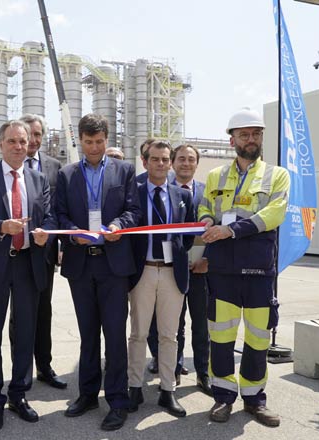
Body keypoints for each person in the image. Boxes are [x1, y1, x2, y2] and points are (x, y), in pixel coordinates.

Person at [200, 107, 289, 427]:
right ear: (232, 140)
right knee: (220, 339)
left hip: (258, 272)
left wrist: (230, 229)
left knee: (258, 339)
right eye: (244, 135)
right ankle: (223, 398)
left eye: (256, 134)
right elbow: (205, 207)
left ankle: (254, 400)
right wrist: (207, 220)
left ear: (261, 137)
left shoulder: (277, 175)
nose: (250, 140)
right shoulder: (214, 176)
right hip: (222, 271)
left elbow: (274, 214)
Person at [55, 113, 141, 431]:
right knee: (88, 335)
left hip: (113, 265)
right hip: (81, 263)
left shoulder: (125, 170)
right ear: (80, 139)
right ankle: (88, 394)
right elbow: (59, 214)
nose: (94, 147)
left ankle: (117, 401)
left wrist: (120, 224)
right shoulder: (67, 174)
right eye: (89, 142)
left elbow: (134, 209)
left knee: (114, 336)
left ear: (107, 139)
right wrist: (72, 231)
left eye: (99, 141)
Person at [0, 120, 55, 431]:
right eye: (13, 141)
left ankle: (19, 393)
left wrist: (47, 235)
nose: (20, 146)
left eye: (24, 141)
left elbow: (49, 216)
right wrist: (0, 227)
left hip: (27, 265)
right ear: (1, 144)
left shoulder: (38, 179)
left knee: (25, 334)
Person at [126, 141, 194, 418]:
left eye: (166, 159)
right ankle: (134, 387)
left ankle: (168, 390)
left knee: (169, 335)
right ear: (145, 162)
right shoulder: (135, 193)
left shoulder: (182, 195)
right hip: (142, 271)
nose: (161, 164)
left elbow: (188, 236)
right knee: (139, 333)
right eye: (155, 159)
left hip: (171, 272)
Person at [148, 144, 212, 395]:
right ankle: (172, 370)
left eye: (191, 159)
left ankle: (203, 374)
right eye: (181, 159)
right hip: (172, 269)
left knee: (201, 325)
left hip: (201, 270)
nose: (186, 163)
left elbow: (213, 229)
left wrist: (207, 260)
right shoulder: (166, 192)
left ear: (197, 163)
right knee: (173, 326)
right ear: (173, 163)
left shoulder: (208, 192)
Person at [9, 113, 66, 390]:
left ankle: (45, 366)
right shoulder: (10, 166)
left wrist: (57, 242)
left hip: (43, 252)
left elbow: (58, 210)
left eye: (37, 135)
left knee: (44, 310)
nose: (33, 140)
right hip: (14, 252)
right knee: (19, 315)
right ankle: (20, 372)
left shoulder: (55, 167)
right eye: (28, 134)